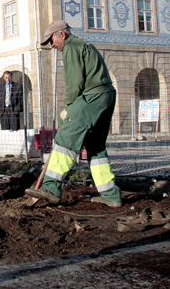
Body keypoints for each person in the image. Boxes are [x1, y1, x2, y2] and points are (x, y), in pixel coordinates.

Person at [25, 20, 122, 207]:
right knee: (95, 146)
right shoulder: (84, 45)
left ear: (62, 35)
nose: (52, 46)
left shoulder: (71, 46)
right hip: (106, 95)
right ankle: (110, 194)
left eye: (52, 40)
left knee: (65, 138)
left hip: (91, 97)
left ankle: (51, 188)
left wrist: (69, 108)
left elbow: (75, 82)